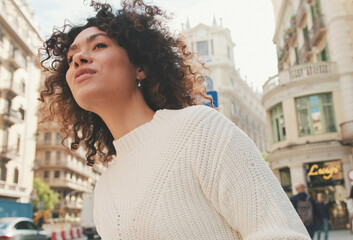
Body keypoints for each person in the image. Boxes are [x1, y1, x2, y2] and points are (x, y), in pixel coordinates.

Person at [38, 1, 310, 239]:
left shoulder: (199, 129)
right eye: (71, 58)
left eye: (98, 45)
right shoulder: (105, 188)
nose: (78, 60)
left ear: (140, 67)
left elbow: (283, 234)